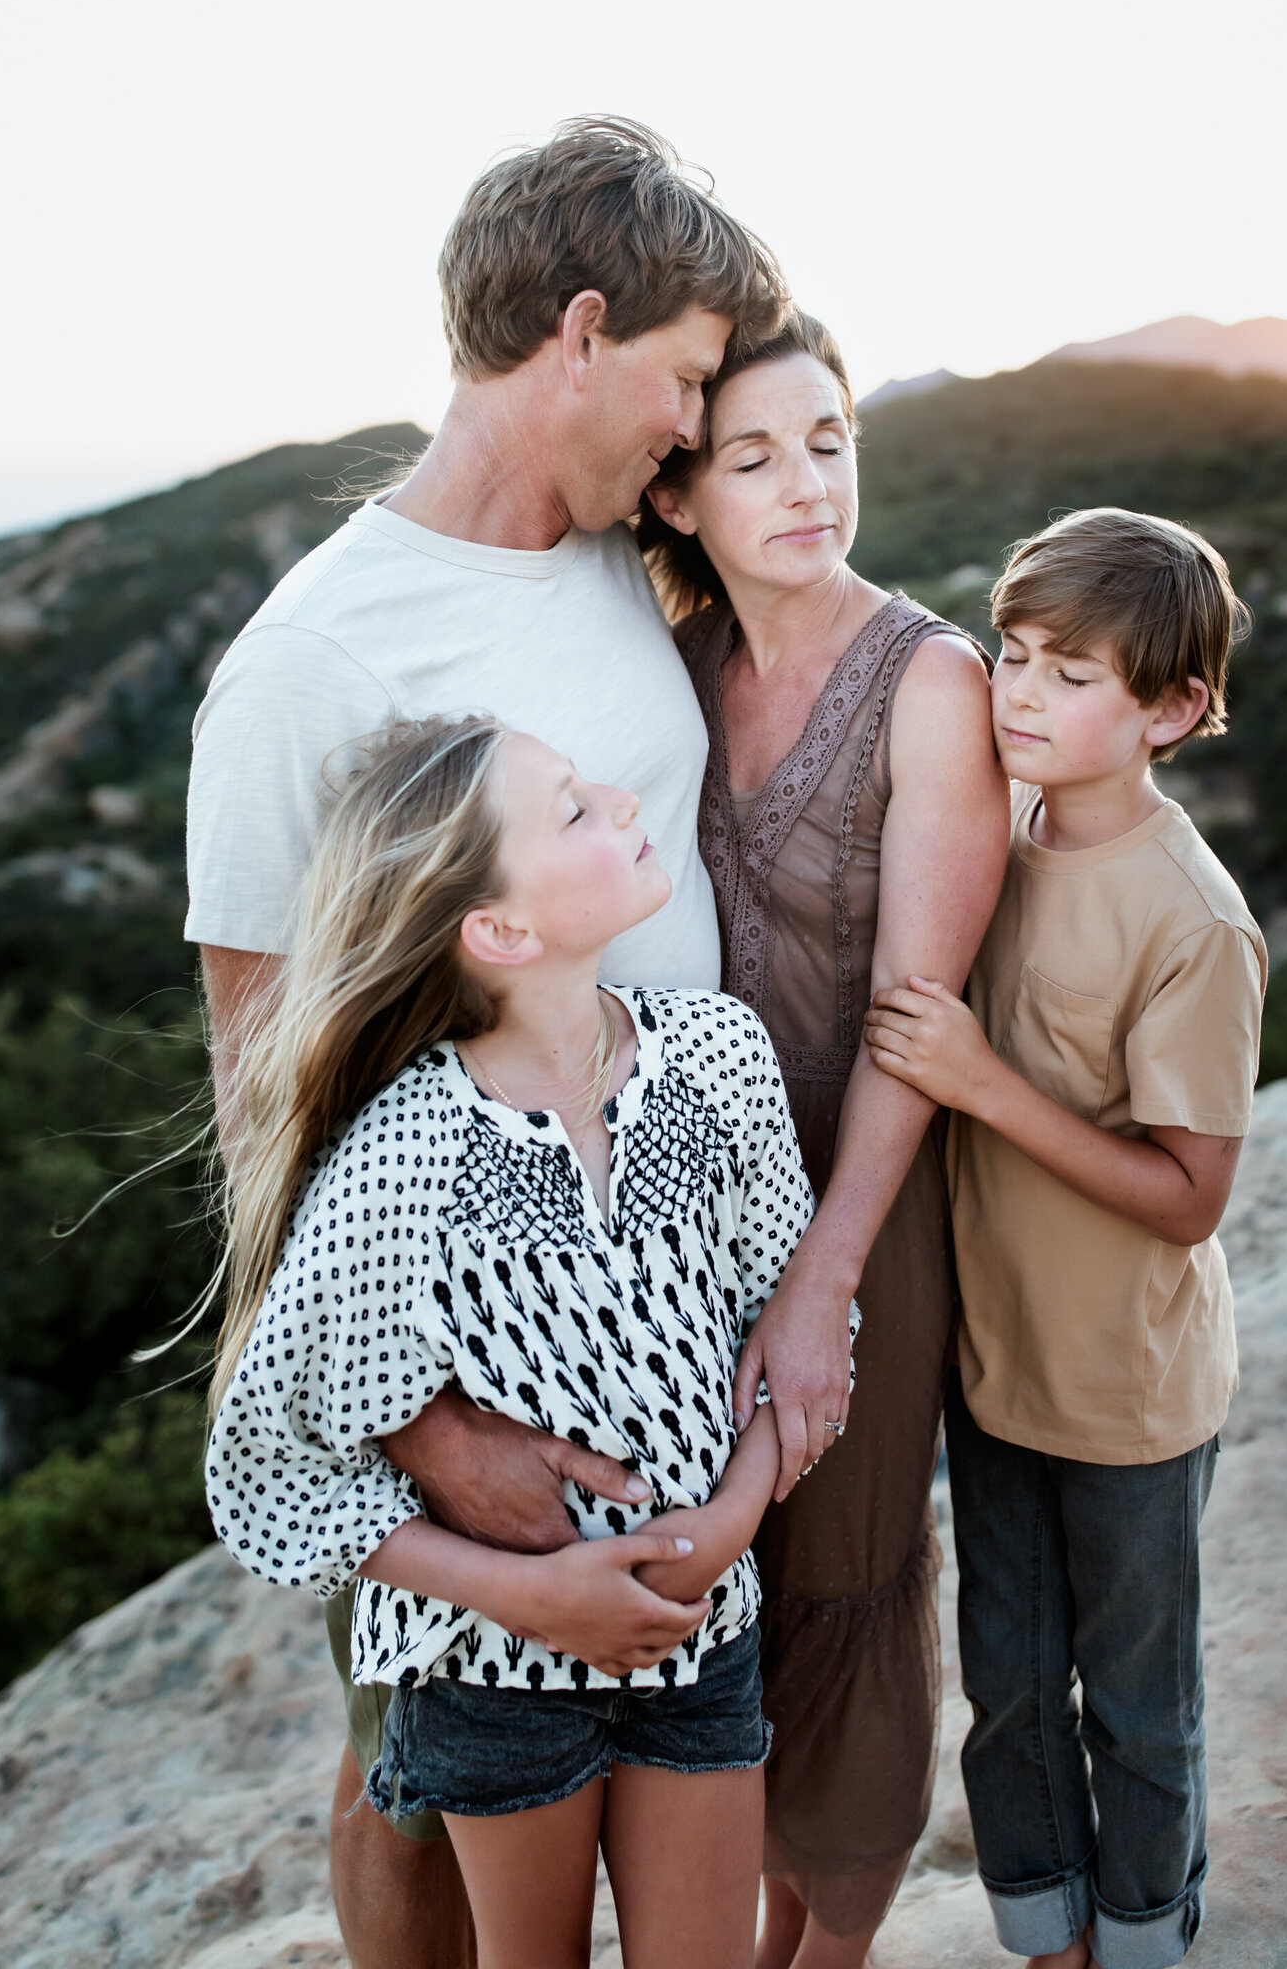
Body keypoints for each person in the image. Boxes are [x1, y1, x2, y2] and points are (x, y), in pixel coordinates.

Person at [184, 117, 791, 1969]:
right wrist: (429, 1433)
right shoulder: (313, 665)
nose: (690, 430)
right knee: (417, 1766)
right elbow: (255, 1089)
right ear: (581, 332)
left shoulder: (624, 562)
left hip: (657, 1260)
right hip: (450, 1331)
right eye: (685, 380)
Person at [206, 712, 837, 1969]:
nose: (616, 794)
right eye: (569, 808)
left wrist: (732, 1519)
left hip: (699, 1634)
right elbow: (266, 1468)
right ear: (499, 932)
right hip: (493, 1673)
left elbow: (805, 1322)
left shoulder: (719, 1055)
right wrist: (530, 1594)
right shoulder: (403, 1158)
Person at [640, 314, 1009, 1968]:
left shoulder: (932, 684)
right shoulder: (677, 670)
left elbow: (912, 1024)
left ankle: (834, 1941)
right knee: (734, 1571)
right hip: (689, 1212)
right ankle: (748, 1912)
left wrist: (822, 1282)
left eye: (831, 442)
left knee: (847, 1563)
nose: (808, 485)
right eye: (755, 456)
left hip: (867, 1201)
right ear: (678, 500)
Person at [864, 507, 1267, 1969]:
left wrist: (983, 1083)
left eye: (1072, 674)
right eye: (1012, 654)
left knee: (1135, 1698)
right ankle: (1049, 1934)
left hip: (1128, 1391)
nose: (1021, 694)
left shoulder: (1191, 920)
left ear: (1168, 708)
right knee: (1012, 1685)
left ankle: (1148, 1936)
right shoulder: (1000, 835)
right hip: (994, 1366)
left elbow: (1190, 1197)